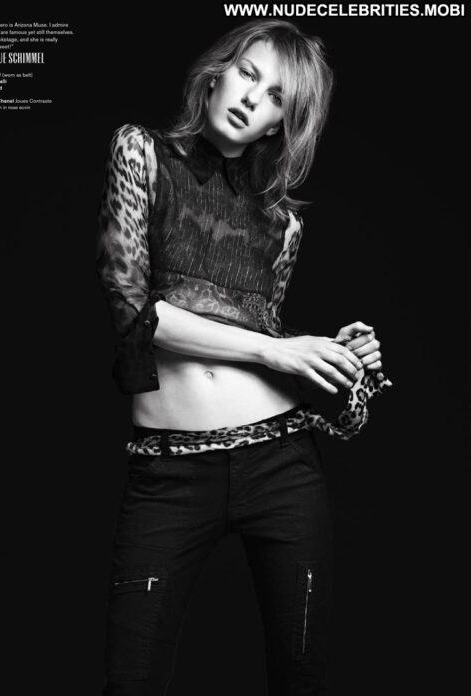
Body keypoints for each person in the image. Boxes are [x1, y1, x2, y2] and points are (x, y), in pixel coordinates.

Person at [95, 19, 392, 696]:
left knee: (299, 680)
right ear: (216, 74)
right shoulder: (140, 152)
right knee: (131, 681)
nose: (253, 97)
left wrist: (339, 360)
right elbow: (134, 312)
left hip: (281, 466)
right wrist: (278, 350)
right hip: (169, 474)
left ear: (280, 124)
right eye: (248, 73)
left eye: (276, 97)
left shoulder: (284, 225)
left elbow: (263, 342)